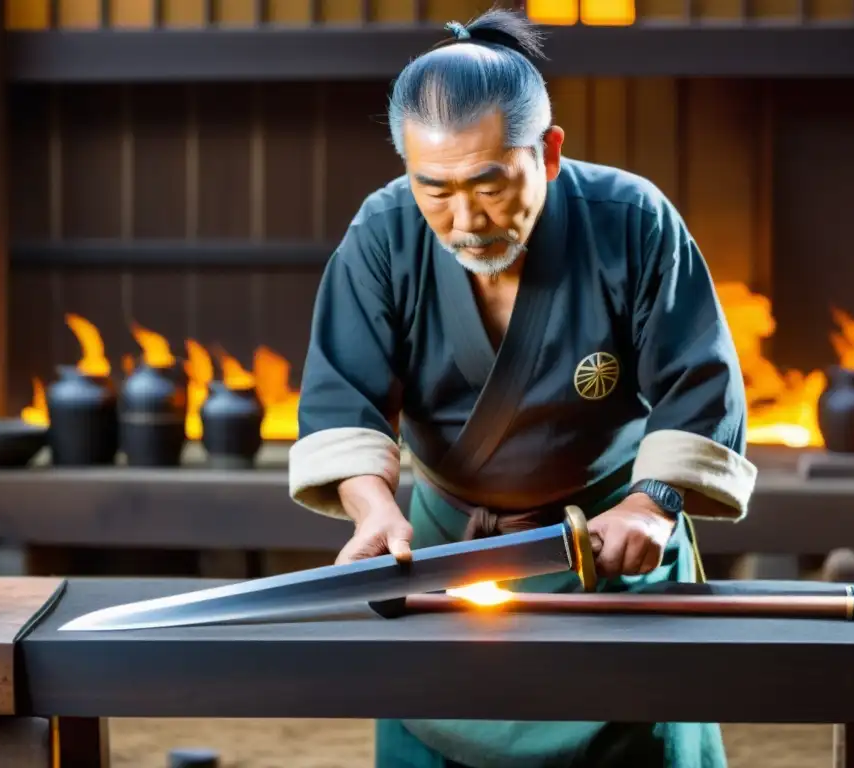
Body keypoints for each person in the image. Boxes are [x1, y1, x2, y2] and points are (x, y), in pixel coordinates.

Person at [288, 8, 758, 768]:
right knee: (438, 724)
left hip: (609, 553)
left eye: (489, 183)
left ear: (549, 152)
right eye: (432, 188)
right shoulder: (381, 234)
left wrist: (652, 504)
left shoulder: (632, 223)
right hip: (446, 557)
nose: (465, 219)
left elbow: (699, 385)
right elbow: (346, 396)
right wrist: (373, 510)